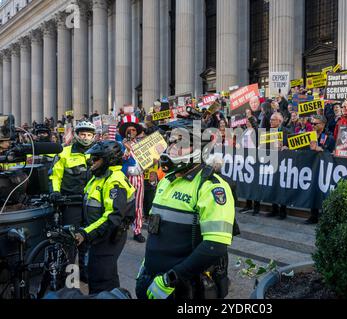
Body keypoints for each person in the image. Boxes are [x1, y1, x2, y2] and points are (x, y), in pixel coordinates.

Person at [135, 118, 236, 300]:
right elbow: (158, 230)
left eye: (180, 142)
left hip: (185, 287)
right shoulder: (166, 180)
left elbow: (215, 246)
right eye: (172, 141)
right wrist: (146, 265)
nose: (173, 147)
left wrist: (171, 279)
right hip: (152, 278)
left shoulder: (211, 187)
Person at [75, 141, 136, 294]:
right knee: (107, 276)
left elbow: (113, 216)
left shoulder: (114, 181)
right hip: (98, 235)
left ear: (108, 160)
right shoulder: (98, 177)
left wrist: (85, 233)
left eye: (96, 159)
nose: (91, 162)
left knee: (100, 279)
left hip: (109, 235)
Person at [49, 120, 96, 281]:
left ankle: (84, 273)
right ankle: (69, 277)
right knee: (70, 242)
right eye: (82, 134)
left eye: (89, 134)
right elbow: (55, 175)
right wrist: (55, 191)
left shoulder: (97, 154)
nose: (86, 137)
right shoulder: (64, 153)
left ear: (94, 136)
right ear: (76, 135)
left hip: (91, 204)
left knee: (87, 239)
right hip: (71, 203)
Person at [119, 115, 146, 243]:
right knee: (123, 203)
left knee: (138, 205)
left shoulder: (141, 145)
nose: (131, 132)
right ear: (125, 132)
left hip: (139, 177)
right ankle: (120, 228)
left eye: (134, 130)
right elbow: (121, 160)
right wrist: (127, 149)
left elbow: (147, 161)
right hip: (125, 178)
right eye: (129, 130)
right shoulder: (120, 145)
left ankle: (137, 230)